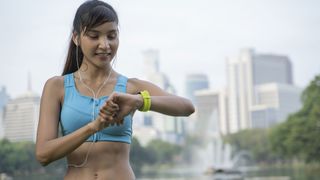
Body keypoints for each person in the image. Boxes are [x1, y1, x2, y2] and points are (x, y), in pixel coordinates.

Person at [35, 0, 195, 179]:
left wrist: (139, 101)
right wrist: (93, 127)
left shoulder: (130, 87)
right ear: (76, 38)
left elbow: (187, 107)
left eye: (111, 36)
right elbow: (43, 154)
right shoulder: (57, 87)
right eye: (94, 36)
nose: (105, 45)